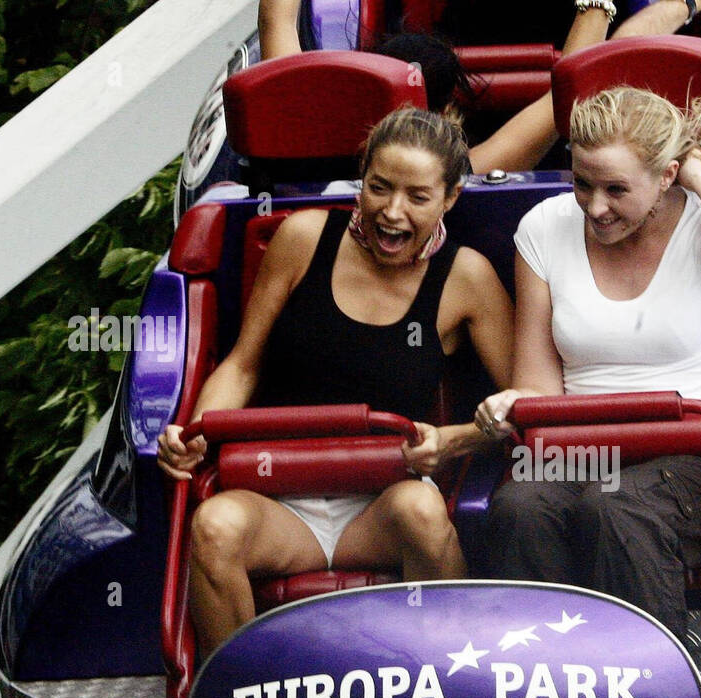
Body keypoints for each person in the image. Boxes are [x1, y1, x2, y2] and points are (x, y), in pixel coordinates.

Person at [157, 108, 514, 656]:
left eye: (418, 197)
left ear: (450, 198)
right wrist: (195, 432)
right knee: (215, 524)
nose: (392, 212)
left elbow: (523, 407)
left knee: (421, 512)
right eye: (379, 188)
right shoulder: (303, 237)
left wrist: (453, 439)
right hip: (279, 499)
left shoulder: (466, 278)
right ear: (360, 181)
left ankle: (451, 684)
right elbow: (243, 364)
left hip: (380, 505)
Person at [475, 87, 701, 636]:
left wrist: (696, 174)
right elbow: (537, 387)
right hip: (582, 447)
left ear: (667, 177)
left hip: (697, 453)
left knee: (615, 509)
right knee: (519, 507)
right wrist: (509, 404)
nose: (596, 207)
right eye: (582, 184)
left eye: (617, 189)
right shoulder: (545, 227)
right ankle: (542, 678)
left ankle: (654, 683)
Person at [257, 0, 701, 173]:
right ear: (448, 117)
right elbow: (569, 92)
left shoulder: (308, 160)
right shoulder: (451, 174)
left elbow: (278, 31)